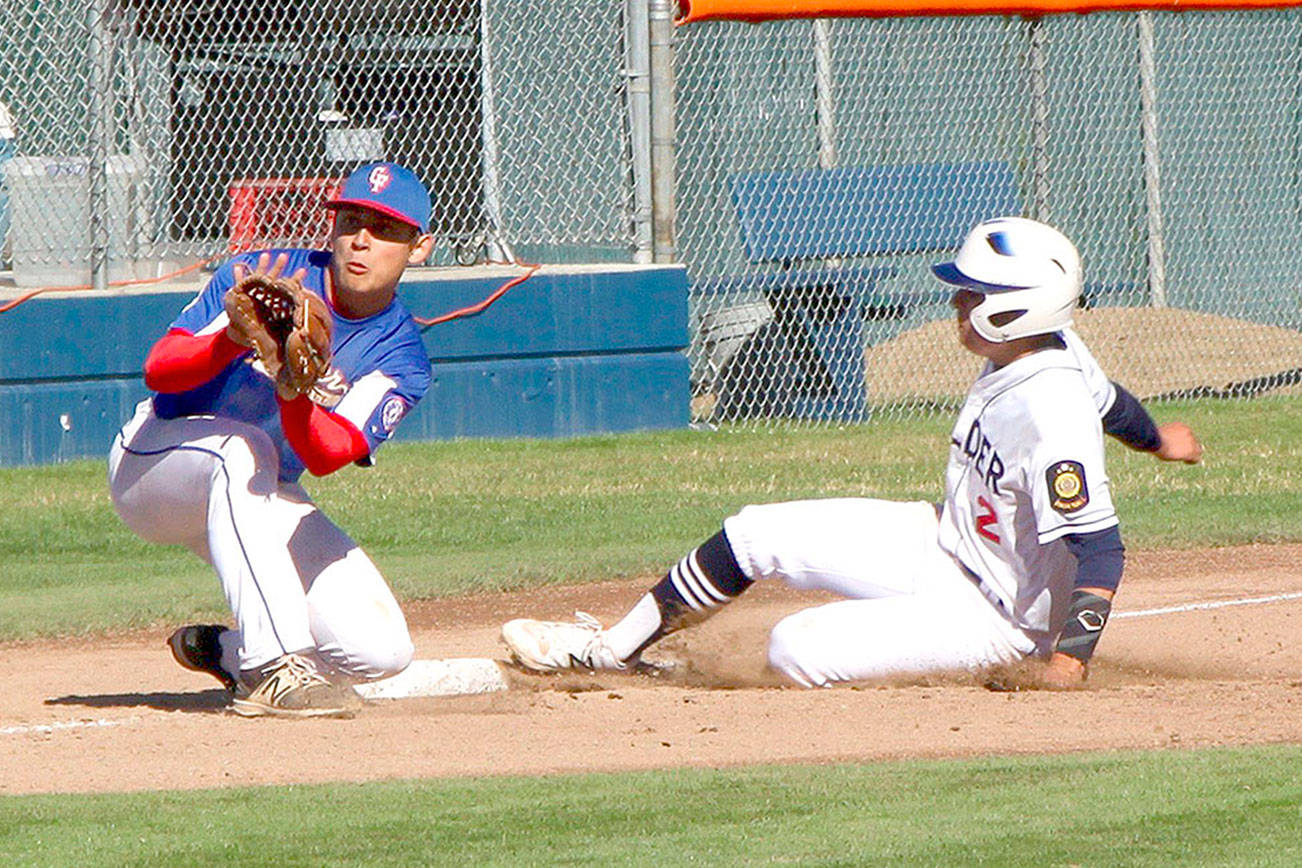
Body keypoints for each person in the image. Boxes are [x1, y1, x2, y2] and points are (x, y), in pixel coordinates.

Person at [501, 217, 1203, 690]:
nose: (957, 301)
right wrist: (1161, 440)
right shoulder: (1055, 348)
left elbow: (1102, 549)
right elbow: (1110, 399)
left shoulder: (1051, 410)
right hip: (942, 543)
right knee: (754, 533)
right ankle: (609, 652)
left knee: (795, 648)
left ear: (1015, 307)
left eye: (971, 292)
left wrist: (1066, 669)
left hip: (995, 617)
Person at [108, 161, 436, 718]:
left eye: (384, 229)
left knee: (379, 652)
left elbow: (327, 453)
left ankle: (227, 652)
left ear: (419, 247)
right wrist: (231, 339)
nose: (361, 239)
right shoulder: (263, 276)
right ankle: (270, 666)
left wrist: (292, 390)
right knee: (243, 448)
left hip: (255, 494)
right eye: (351, 220)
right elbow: (160, 369)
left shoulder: (401, 357)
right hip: (156, 463)